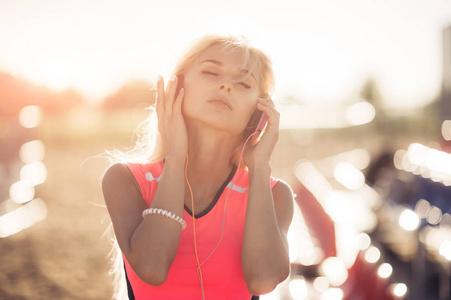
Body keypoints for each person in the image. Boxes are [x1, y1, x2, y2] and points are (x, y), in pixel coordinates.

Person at [102, 34, 294, 300]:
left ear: (259, 114)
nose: (226, 85)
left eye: (243, 83)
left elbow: (262, 280)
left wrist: (259, 166)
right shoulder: (127, 179)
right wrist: (176, 157)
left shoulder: (274, 195)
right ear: (176, 87)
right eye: (210, 72)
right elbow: (152, 268)